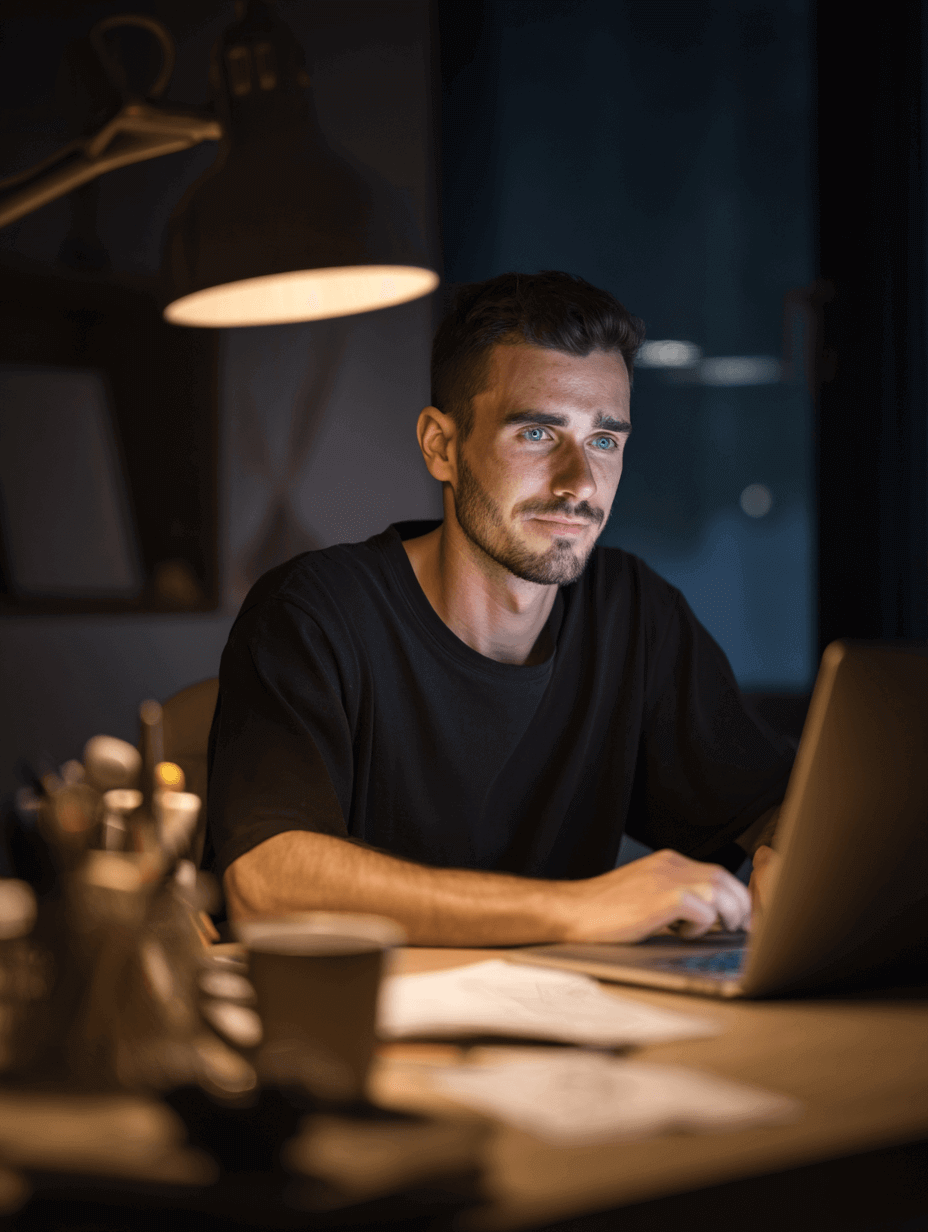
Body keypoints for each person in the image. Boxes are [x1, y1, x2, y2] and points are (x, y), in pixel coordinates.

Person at [206, 271, 791, 944]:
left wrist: (789, 853)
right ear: (442, 447)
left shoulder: (632, 613)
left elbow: (774, 806)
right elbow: (268, 883)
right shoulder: (312, 616)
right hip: (349, 1030)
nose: (579, 484)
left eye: (604, 440)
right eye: (538, 434)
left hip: (566, 1028)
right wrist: (578, 910)